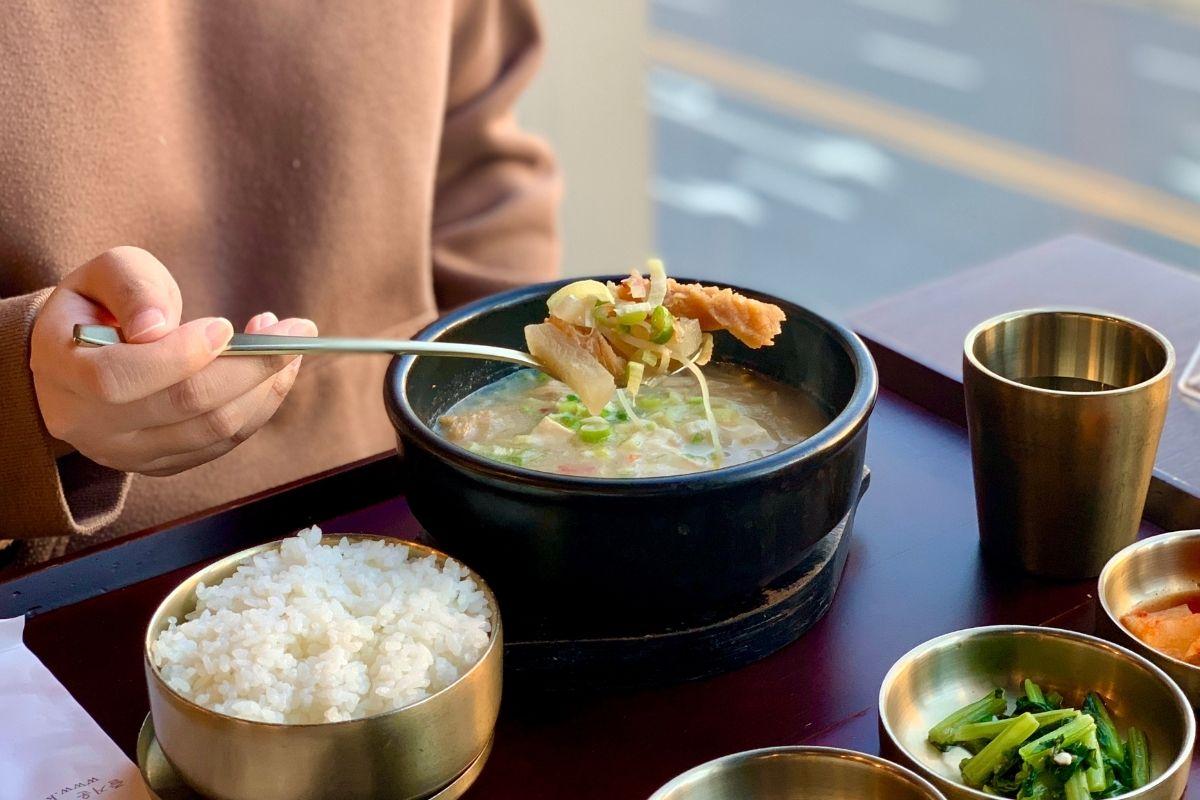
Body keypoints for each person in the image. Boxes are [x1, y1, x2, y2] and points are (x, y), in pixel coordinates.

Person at [0, 2, 560, 566]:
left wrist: (524, 398)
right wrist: (21, 401)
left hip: (418, 511)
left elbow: (479, 165)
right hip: (67, 580)